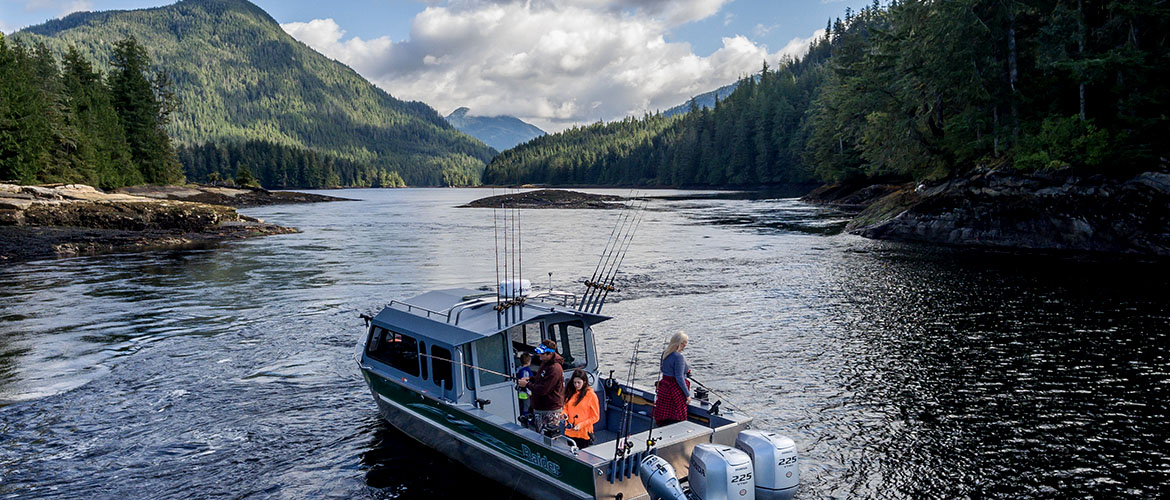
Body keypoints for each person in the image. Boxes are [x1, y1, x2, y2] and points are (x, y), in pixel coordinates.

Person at [517, 339, 564, 435]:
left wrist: (526, 385)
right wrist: (530, 379)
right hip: (540, 408)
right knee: (540, 433)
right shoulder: (545, 363)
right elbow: (541, 378)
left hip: (550, 410)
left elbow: (543, 390)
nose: (539, 355)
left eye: (542, 353)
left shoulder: (554, 369)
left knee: (548, 436)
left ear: (550, 354)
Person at [651, 331, 690, 427]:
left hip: (664, 388)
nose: (685, 345)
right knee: (677, 417)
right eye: (684, 343)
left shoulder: (665, 354)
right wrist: (687, 395)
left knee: (664, 415)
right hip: (674, 390)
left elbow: (663, 369)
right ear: (680, 344)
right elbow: (679, 378)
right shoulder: (679, 357)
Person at [562, 368, 599, 449]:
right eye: (575, 382)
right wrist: (564, 414)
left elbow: (595, 417)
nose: (576, 385)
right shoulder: (570, 392)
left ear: (584, 382)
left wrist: (581, 425)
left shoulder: (591, 395)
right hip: (570, 431)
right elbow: (565, 408)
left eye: (579, 383)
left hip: (584, 433)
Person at [515, 352, 535, 419]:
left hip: (520, 391)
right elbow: (526, 383)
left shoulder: (518, 369)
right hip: (525, 393)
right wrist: (529, 393)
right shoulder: (526, 371)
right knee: (526, 406)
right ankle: (525, 418)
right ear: (529, 361)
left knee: (521, 405)